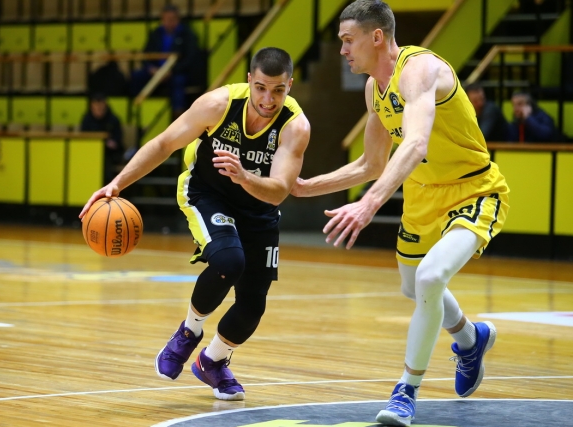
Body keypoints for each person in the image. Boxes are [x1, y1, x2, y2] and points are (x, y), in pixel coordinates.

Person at [290, 1, 509, 425]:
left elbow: (415, 143)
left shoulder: (419, 70)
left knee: (430, 278)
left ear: (376, 37)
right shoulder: (374, 89)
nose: (342, 50)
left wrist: (369, 203)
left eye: (347, 40)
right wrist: (303, 187)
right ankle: (470, 339)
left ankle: (405, 391)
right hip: (422, 197)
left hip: (472, 190)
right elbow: (370, 164)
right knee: (413, 287)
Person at [80, 47, 310, 401]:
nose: (268, 99)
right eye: (261, 88)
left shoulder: (295, 126)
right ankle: (188, 332)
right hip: (207, 193)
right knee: (229, 260)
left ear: (289, 86)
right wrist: (117, 184)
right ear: (249, 80)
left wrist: (244, 177)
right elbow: (163, 144)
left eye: (278, 90)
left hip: (259, 206)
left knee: (253, 306)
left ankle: (212, 361)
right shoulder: (218, 105)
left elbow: (279, 190)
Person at [130, 4, 201, 116]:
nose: (169, 22)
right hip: (156, 71)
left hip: (176, 72)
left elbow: (190, 59)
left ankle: (178, 115)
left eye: (172, 19)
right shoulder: (156, 33)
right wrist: (150, 68)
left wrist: (172, 71)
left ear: (178, 19)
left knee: (178, 82)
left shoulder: (187, 34)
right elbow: (146, 55)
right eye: (166, 19)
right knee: (136, 76)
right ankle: (137, 111)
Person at [80, 93, 124, 184]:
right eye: (96, 108)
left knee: (105, 160)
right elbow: (83, 137)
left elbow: (118, 138)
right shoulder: (86, 120)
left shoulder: (113, 119)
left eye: (101, 108)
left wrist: (112, 143)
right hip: (90, 152)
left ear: (105, 106)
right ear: (91, 107)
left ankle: (107, 183)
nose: (98, 110)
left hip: (110, 153)